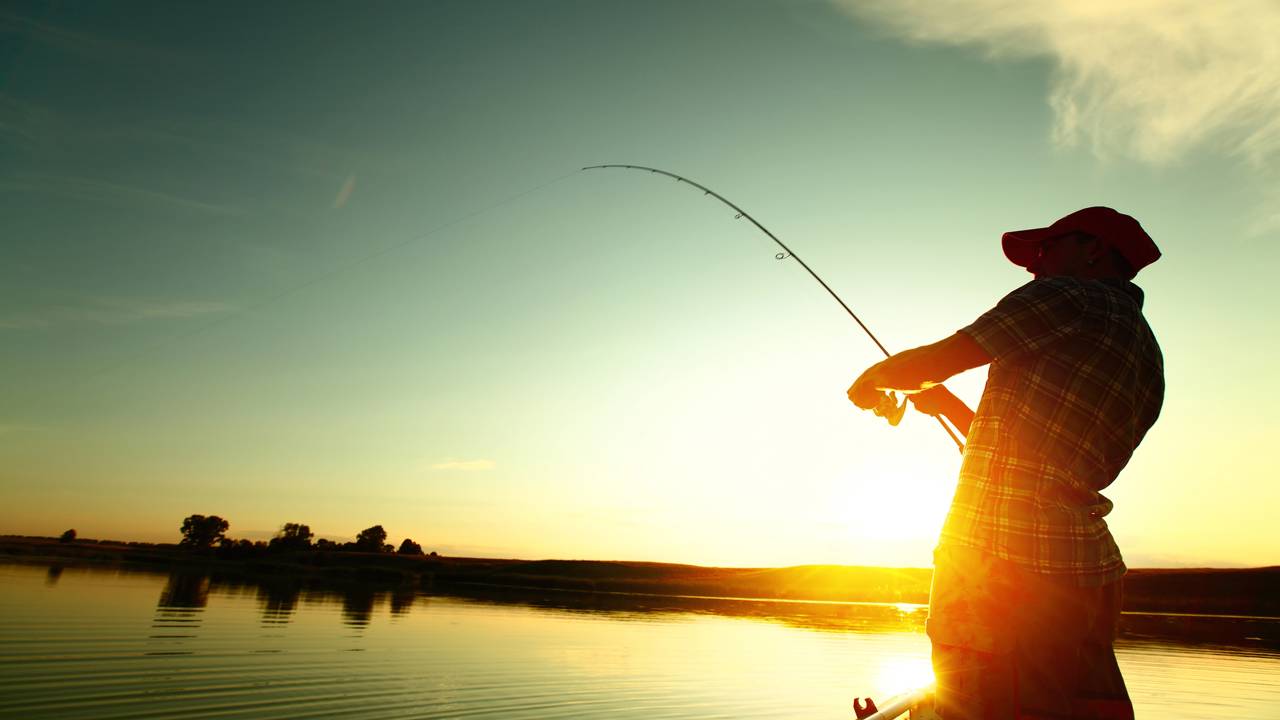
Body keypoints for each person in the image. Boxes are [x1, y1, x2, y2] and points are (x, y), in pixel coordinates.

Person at [848, 207, 1164, 720]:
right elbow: (1039, 455)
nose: (1033, 265)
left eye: (1047, 248)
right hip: (1087, 570)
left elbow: (944, 356)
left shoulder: (1068, 295)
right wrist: (946, 403)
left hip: (1000, 560)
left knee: (983, 705)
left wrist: (873, 379)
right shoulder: (1146, 351)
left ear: (1094, 250)